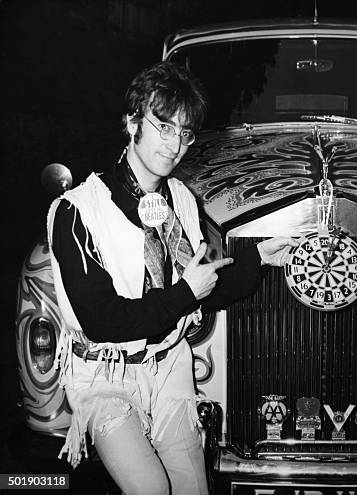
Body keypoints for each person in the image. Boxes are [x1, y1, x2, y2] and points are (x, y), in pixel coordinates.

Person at [47, 61, 297, 495]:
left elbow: (204, 289)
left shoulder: (180, 198)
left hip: (169, 370)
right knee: (150, 489)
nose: (175, 144)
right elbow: (103, 320)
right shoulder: (77, 211)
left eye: (185, 132)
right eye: (164, 126)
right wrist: (185, 293)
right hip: (106, 377)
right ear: (131, 121)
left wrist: (259, 258)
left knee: (191, 488)